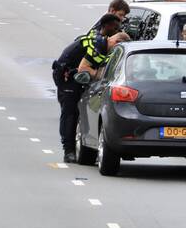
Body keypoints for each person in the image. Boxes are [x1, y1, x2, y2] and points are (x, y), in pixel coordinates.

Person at [52, 14, 131, 163]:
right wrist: (99, 75)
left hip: (78, 76)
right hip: (66, 76)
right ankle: (68, 151)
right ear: (116, 41)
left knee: (86, 107)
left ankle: (88, 147)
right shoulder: (100, 45)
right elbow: (84, 68)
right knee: (70, 112)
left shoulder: (105, 46)